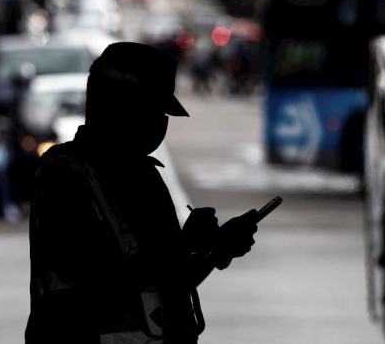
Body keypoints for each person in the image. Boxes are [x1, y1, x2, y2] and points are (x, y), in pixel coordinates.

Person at [26, 42, 260, 343]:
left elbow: (165, 287)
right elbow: (90, 285)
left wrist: (213, 251)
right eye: (154, 110)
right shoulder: (65, 177)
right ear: (120, 107)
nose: (161, 123)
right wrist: (183, 246)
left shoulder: (143, 175)